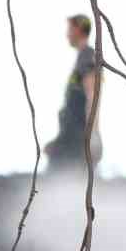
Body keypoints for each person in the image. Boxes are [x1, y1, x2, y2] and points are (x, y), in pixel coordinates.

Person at [44, 14, 102, 173]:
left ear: (79, 30)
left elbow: (93, 97)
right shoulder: (81, 58)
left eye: (70, 29)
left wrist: (93, 135)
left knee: (63, 177)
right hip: (69, 136)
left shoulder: (88, 57)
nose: (67, 34)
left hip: (78, 138)